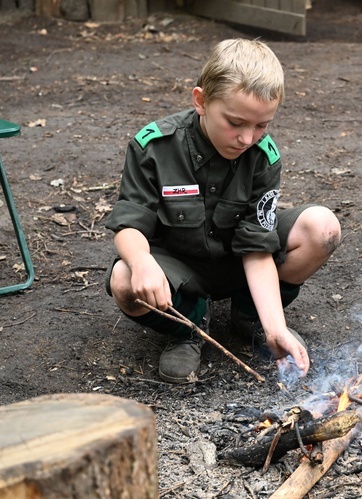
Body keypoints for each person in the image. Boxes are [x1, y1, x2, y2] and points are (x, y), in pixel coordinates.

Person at [104, 38, 341, 384]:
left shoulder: (263, 155)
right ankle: (188, 327)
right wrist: (142, 264)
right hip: (178, 266)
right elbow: (128, 224)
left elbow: (257, 246)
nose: (247, 138)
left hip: (237, 262)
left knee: (323, 228)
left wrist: (276, 328)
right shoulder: (154, 147)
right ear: (201, 101)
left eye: (261, 125)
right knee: (124, 280)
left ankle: (249, 318)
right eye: (235, 122)